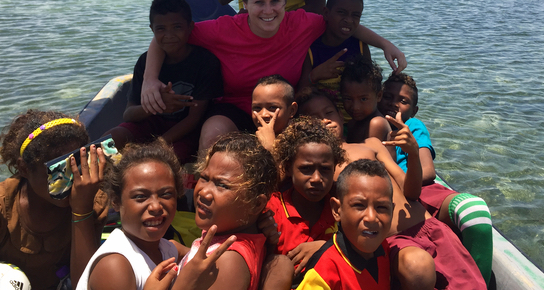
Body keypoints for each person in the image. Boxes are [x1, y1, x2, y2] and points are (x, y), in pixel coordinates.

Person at [141, 0, 407, 151]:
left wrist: (385, 44)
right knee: (212, 135)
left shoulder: (302, 23)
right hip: (234, 108)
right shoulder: (223, 28)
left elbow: (342, 24)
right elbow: (167, 37)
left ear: (285, 1)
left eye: (275, 1)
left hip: (283, 112)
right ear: (244, 3)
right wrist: (149, 80)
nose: (268, 10)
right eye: (259, 2)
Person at [297, 89, 486, 290]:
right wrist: (327, 245)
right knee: (417, 269)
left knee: (470, 285)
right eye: (314, 119)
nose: (325, 121)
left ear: (340, 116)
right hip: (390, 241)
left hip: (428, 225)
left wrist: (413, 154)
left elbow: (411, 192)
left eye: (329, 113)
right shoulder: (317, 166)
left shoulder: (371, 144)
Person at [0, 110, 108, 290]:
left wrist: (81, 210)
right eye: (58, 173)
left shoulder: (91, 200)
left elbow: (85, 285)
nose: (72, 181)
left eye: (77, 166)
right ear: (23, 169)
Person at [379, 74, 493, 285]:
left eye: (403, 101)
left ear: (414, 110)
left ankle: (481, 281)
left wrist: (410, 152)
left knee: (475, 212)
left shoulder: (413, 126)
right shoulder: (372, 126)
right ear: (377, 97)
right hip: (395, 201)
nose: (394, 103)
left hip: (424, 189)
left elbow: (428, 171)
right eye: (388, 96)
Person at [76, 139, 235, 290]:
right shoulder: (115, 266)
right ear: (116, 202)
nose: (155, 206)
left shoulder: (166, 249)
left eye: (166, 195)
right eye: (140, 197)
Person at [107, 0, 223, 163]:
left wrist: (158, 144)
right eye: (160, 29)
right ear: (152, 29)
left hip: (186, 133)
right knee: (109, 140)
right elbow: (128, 115)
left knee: (164, 159)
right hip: (150, 124)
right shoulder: (145, 62)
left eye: (177, 27)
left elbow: (194, 118)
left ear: (190, 27)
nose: (169, 35)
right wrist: (156, 105)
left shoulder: (205, 62)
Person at [179, 133, 279, 290]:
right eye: (204, 178)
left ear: (256, 204)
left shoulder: (229, 261)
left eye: (222, 185)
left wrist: (181, 285)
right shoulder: (221, 237)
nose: (204, 192)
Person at [295, 159, 394, 290]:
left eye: (381, 207)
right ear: (337, 210)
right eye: (359, 205)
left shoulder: (385, 249)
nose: (371, 218)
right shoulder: (324, 272)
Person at [267, 117, 347, 272]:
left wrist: (328, 247)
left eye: (325, 169)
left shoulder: (342, 208)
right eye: (306, 169)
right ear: (288, 168)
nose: (316, 179)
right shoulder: (271, 210)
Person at [298, 0, 371, 121]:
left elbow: (370, 89)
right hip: (324, 120)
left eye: (355, 15)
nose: (349, 20)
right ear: (326, 13)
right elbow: (300, 94)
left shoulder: (360, 46)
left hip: (355, 119)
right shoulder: (312, 49)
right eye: (341, 12)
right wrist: (315, 75)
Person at [340, 56, 391, 143]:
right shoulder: (352, 123)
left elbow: (368, 155)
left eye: (363, 99)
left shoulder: (376, 123)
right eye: (348, 99)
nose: (355, 107)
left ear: (379, 96)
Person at [251, 75, 298, 151]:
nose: (263, 114)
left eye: (272, 107)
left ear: (292, 110)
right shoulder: (249, 145)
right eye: (257, 108)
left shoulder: (300, 143)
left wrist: (270, 147)